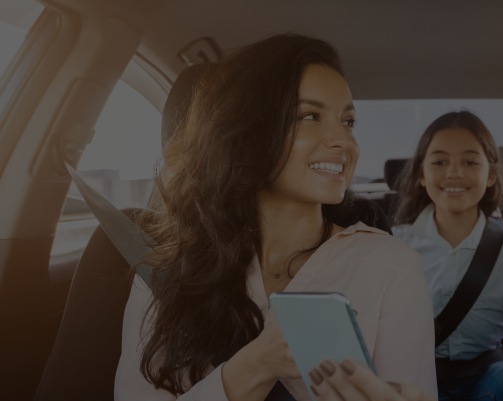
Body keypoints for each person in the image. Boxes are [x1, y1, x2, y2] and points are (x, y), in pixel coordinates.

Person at [114, 33, 437, 401]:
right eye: (310, 116)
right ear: (248, 132)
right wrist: (254, 366)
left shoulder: (391, 268)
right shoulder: (167, 269)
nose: (344, 142)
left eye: (348, 122)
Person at [391, 111, 503, 401]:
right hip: (417, 380)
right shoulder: (394, 244)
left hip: (490, 379)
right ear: (422, 175)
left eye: (470, 161)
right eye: (439, 161)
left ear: (490, 176)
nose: (454, 172)